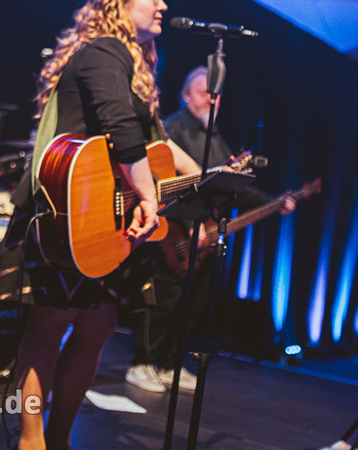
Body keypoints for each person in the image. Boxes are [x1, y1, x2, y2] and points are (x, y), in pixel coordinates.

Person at [0, 0, 165, 450]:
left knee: (97, 328)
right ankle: (31, 441)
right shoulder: (104, 51)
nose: (162, 5)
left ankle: (61, 438)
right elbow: (118, 125)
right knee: (49, 326)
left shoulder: (133, 65)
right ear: (119, 4)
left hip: (103, 220)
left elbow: (153, 144)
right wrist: (149, 196)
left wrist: (210, 175)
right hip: (71, 213)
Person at [125, 66, 293, 393]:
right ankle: (142, 363)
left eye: (216, 95)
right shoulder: (173, 129)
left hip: (205, 237)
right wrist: (192, 224)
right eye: (204, 93)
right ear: (186, 96)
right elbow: (168, 184)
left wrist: (274, 202)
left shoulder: (215, 138)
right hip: (172, 233)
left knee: (193, 305)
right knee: (163, 302)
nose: (211, 100)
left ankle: (170, 365)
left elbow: (231, 186)